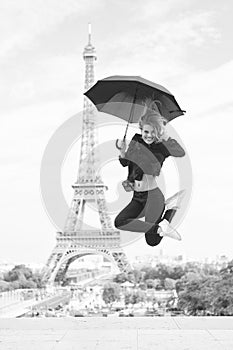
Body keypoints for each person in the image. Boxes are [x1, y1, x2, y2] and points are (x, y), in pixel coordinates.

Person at [114, 103, 186, 246]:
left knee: (152, 241)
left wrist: (166, 137)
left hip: (153, 197)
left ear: (158, 131)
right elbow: (126, 163)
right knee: (119, 222)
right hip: (138, 197)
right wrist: (122, 151)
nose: (149, 135)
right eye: (146, 131)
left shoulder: (162, 146)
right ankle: (161, 226)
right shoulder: (136, 141)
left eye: (153, 132)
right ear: (141, 129)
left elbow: (180, 152)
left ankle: (170, 210)